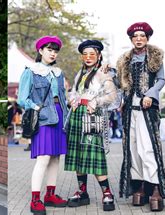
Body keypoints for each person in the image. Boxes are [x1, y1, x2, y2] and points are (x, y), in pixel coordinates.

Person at [117, 22, 165, 211]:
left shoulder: (155, 58)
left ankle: (154, 187)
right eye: (135, 36)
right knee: (133, 148)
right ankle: (139, 186)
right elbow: (122, 83)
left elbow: (162, 79)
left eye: (142, 35)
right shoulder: (125, 60)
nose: (138, 39)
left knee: (148, 148)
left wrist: (151, 94)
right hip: (130, 110)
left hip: (148, 109)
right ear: (131, 39)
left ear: (147, 38)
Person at [64, 40, 118, 211]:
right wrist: (72, 99)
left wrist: (96, 101)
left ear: (99, 56)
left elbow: (113, 97)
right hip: (76, 116)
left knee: (94, 154)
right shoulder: (79, 73)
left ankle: (107, 193)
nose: (88, 57)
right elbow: (73, 91)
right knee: (79, 155)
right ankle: (82, 192)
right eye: (85, 54)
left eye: (92, 54)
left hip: (92, 116)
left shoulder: (104, 74)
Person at [17, 36, 68, 215]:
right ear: (40, 51)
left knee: (55, 157)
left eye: (55, 51)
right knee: (43, 158)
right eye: (49, 50)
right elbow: (22, 99)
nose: (53, 53)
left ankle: (50, 195)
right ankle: (35, 199)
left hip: (60, 115)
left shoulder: (58, 73)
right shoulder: (30, 71)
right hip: (44, 117)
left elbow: (62, 97)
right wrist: (36, 107)